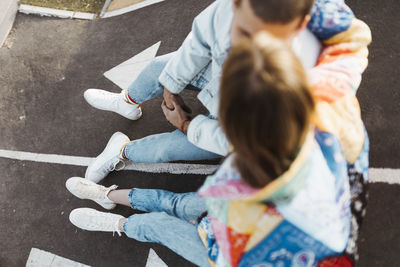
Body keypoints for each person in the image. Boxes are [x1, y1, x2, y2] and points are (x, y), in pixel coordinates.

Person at [66, 18, 371, 266]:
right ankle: (113, 179)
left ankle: (112, 206)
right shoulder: (325, 125)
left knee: (161, 220)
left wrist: (188, 125)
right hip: (262, 174)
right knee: (179, 198)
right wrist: (184, 115)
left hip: (246, 232)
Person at [83, 0, 356, 183]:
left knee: (168, 149)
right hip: (225, 81)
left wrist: (189, 126)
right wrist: (171, 86)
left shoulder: (316, 80)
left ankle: (122, 150)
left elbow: (243, 141)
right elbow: (201, 38)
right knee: (160, 67)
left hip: (243, 123)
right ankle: (127, 101)